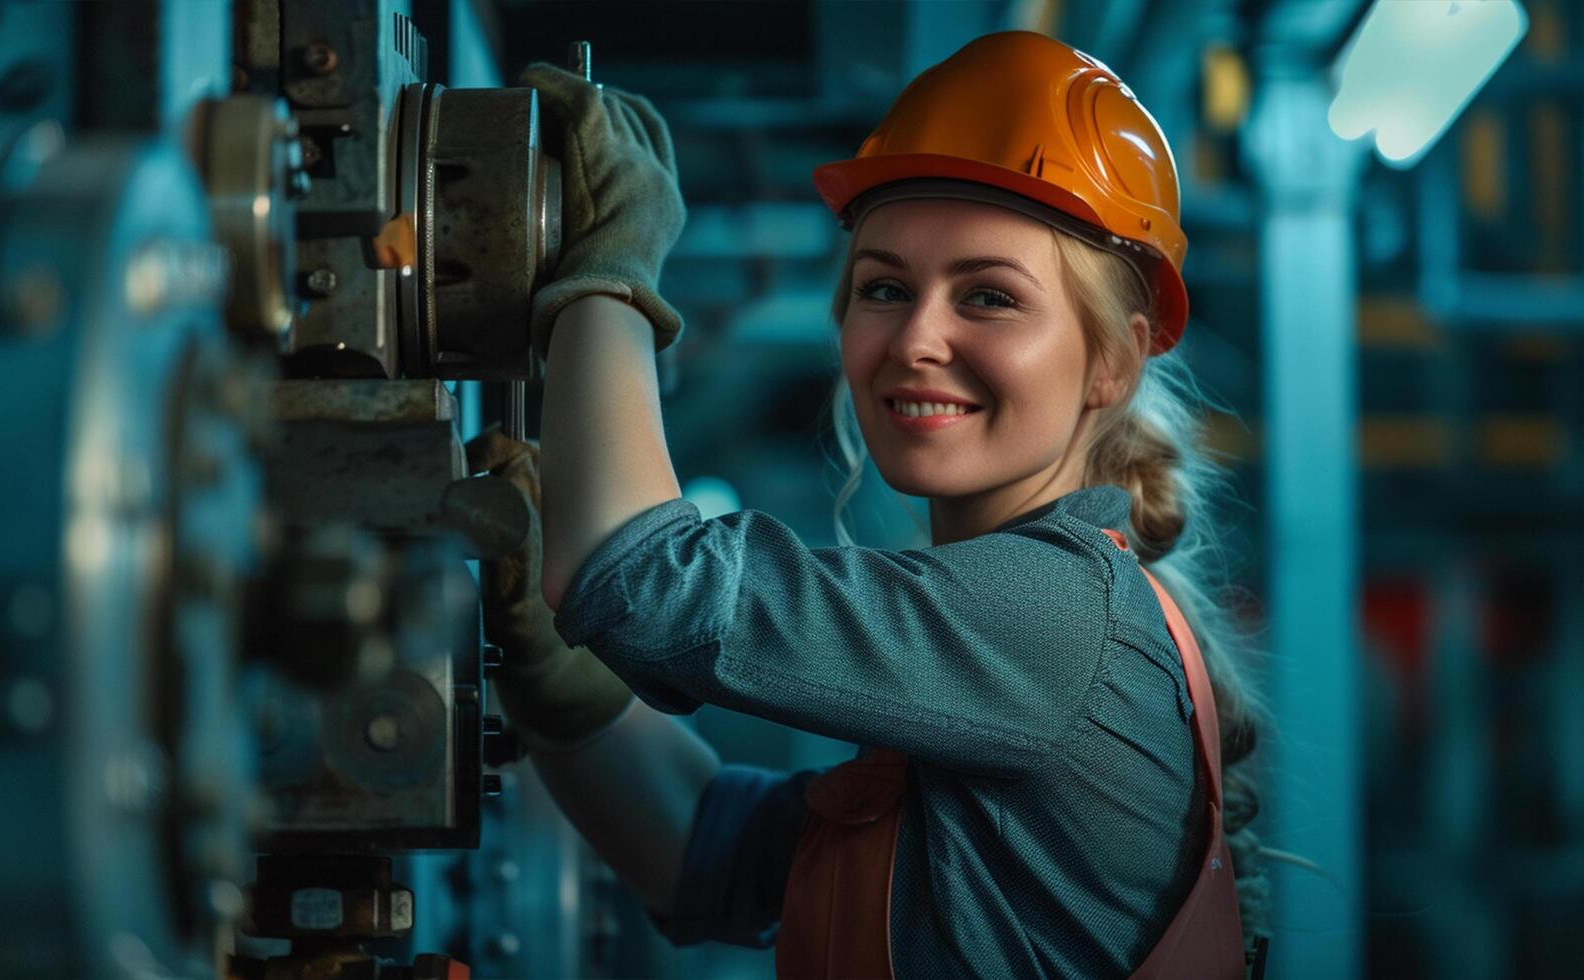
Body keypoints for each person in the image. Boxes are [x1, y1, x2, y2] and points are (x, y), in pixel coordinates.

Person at [465, 30, 1267, 979]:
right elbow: (709, 855)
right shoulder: (1030, 638)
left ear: (1114, 360)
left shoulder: (1056, 616)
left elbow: (635, 582)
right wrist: (555, 674)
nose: (917, 338)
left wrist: (614, 261)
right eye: (885, 286)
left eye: (989, 298)